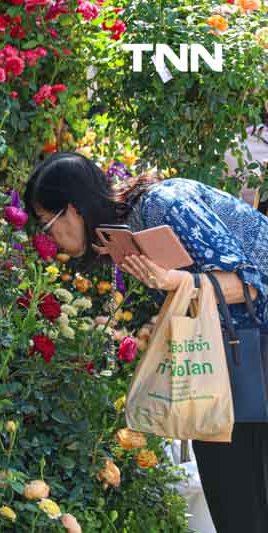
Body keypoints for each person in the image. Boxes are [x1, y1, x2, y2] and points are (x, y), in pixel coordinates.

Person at [24, 152, 268, 533]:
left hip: (252, 356)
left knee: (247, 507)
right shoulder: (128, 231)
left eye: (46, 223)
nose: (47, 238)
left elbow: (251, 285)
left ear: (72, 209)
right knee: (234, 506)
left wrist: (171, 282)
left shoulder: (162, 205)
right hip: (226, 363)